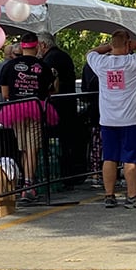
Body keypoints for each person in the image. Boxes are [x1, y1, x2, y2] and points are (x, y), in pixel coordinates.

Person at [87, 30, 136, 209]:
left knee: (109, 158)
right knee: (131, 159)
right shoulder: (134, 61)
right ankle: (132, 195)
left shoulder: (101, 63)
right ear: (127, 44)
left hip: (108, 118)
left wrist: (110, 46)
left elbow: (90, 52)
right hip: (132, 118)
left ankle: (109, 195)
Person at [0, 33, 57, 202]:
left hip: (15, 110)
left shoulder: (9, 66)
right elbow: (51, 90)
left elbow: (5, 93)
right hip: (36, 108)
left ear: (22, 47)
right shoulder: (43, 66)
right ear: (37, 46)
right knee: (33, 148)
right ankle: (29, 186)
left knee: (24, 147)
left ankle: (27, 183)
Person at [38, 31, 82, 184]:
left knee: (61, 143)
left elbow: (49, 84)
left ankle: (63, 176)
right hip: (68, 105)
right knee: (67, 142)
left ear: (43, 45)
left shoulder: (49, 60)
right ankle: (69, 175)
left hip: (58, 107)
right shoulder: (63, 56)